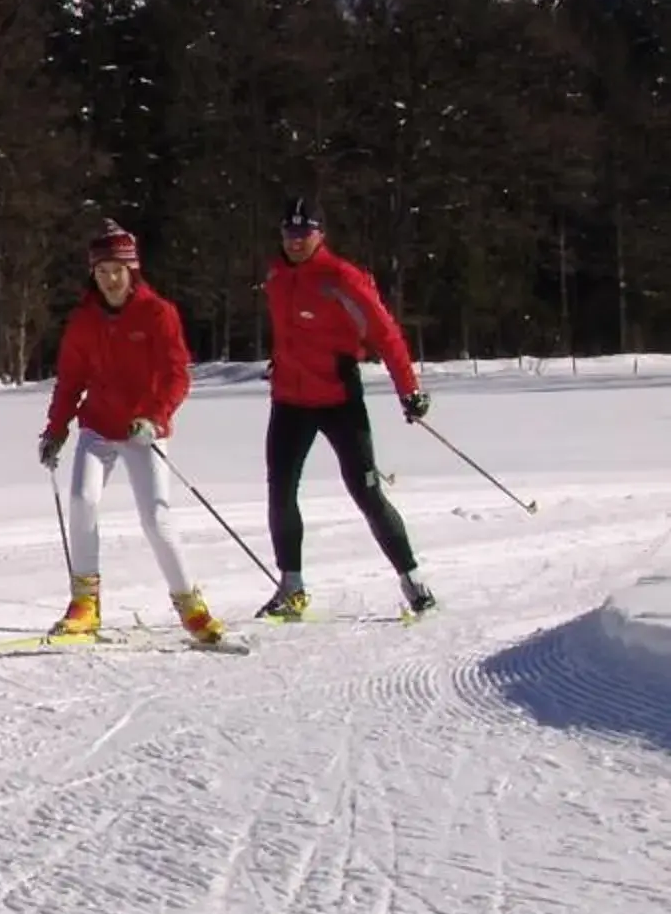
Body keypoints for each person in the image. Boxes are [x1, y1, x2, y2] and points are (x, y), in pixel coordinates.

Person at [37, 222, 222, 645]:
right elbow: (69, 381)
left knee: (156, 518)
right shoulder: (85, 320)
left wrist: (155, 418)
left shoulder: (158, 313)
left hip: (143, 430)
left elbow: (177, 374)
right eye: (101, 271)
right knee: (82, 501)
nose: (109, 279)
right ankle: (85, 606)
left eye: (116, 270)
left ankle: (192, 608)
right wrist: (55, 430)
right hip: (98, 427)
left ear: (132, 269)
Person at [259, 198, 433, 619]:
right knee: (281, 493)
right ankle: (292, 586)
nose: (296, 241)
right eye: (290, 233)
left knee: (367, 492)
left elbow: (386, 334)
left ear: (321, 234)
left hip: (338, 399)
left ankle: (413, 581)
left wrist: (408, 390)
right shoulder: (276, 275)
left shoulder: (341, 277)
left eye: (304, 233)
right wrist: (280, 362)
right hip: (289, 401)